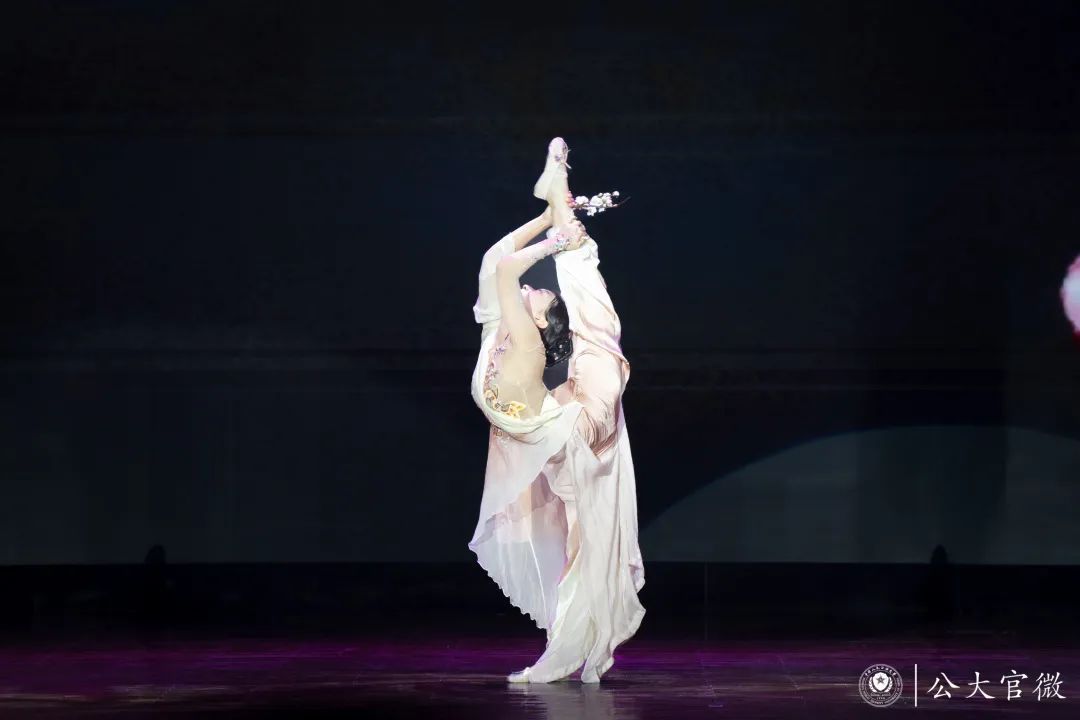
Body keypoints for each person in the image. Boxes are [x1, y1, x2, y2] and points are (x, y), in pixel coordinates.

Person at [468, 138, 645, 683]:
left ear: (542, 322)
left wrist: (555, 232)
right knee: (597, 319)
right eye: (535, 293)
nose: (533, 290)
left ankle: (571, 641)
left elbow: (503, 268)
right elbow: (499, 264)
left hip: (569, 428)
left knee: (593, 315)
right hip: (570, 431)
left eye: (539, 297)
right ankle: (569, 641)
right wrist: (552, 224)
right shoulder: (512, 333)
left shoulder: (518, 339)